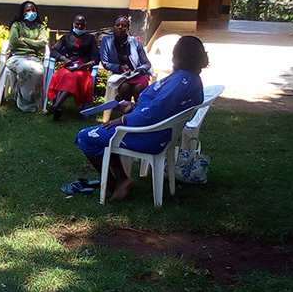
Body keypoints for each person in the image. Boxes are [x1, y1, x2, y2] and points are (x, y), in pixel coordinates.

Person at [75, 35, 208, 203]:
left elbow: (152, 113)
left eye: (175, 53)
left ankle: (114, 182)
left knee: (85, 137)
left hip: (148, 136)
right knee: (105, 133)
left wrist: (122, 120)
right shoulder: (191, 79)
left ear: (181, 56)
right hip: (159, 131)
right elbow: (158, 108)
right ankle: (120, 180)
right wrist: (134, 107)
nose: (173, 58)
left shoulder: (181, 81)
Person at [46, 14, 99, 121]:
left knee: (74, 77)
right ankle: (57, 107)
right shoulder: (66, 37)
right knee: (63, 75)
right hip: (70, 64)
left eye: (82, 25)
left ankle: (56, 106)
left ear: (85, 26)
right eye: (77, 24)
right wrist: (64, 59)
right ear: (73, 24)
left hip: (83, 69)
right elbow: (54, 50)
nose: (79, 27)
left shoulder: (90, 38)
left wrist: (86, 65)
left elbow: (96, 57)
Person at [4, 0, 48, 112]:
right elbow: (13, 41)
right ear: (23, 13)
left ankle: (33, 100)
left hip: (33, 58)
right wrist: (34, 42)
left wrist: (25, 39)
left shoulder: (39, 27)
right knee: (24, 69)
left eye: (33, 10)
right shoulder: (17, 25)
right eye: (28, 10)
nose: (31, 12)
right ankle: (24, 103)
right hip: (16, 57)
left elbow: (43, 43)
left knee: (38, 71)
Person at [99, 15, 152, 103]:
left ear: (128, 28)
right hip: (120, 75)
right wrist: (119, 68)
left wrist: (140, 70)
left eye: (124, 26)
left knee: (138, 88)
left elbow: (146, 63)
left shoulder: (135, 42)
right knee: (124, 87)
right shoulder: (107, 41)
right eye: (117, 25)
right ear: (113, 27)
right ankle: (127, 110)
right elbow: (105, 63)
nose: (120, 28)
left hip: (137, 74)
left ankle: (138, 111)